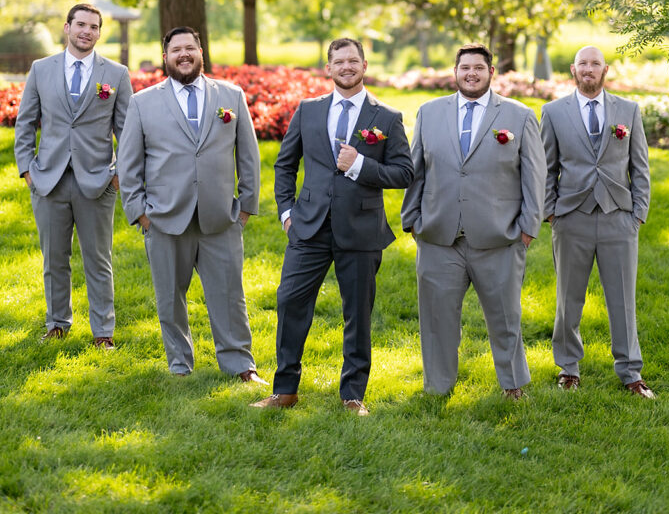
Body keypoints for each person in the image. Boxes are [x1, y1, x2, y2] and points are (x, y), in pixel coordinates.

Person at [251, 37, 413, 415]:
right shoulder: (308, 110)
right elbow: (284, 164)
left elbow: (404, 172)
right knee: (290, 301)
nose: (346, 66)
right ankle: (285, 389)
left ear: (364, 65)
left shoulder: (386, 117)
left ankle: (352, 395)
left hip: (360, 229)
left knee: (357, 312)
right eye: (339, 61)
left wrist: (359, 165)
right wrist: (287, 213)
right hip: (307, 227)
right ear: (328, 68)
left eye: (353, 60)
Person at [117, 26, 264, 381]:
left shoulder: (231, 96)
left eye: (190, 48)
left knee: (229, 296)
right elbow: (128, 164)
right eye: (176, 50)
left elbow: (249, 157)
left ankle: (240, 365)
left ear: (201, 51)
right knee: (170, 298)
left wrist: (244, 208)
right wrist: (139, 214)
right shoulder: (143, 102)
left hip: (220, 219)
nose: (184, 55)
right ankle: (180, 365)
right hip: (165, 219)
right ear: (165, 56)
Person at [401, 44, 546, 399]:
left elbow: (534, 178)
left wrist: (527, 230)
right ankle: (438, 387)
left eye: (478, 68)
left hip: (499, 237)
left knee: (505, 319)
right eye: (464, 67)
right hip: (438, 236)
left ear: (491, 72)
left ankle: (513, 385)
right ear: (455, 72)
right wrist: (413, 221)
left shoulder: (519, 116)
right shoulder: (429, 112)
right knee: (436, 320)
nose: (471, 73)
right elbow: (416, 170)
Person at [14, 2, 133, 347]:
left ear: (99, 32)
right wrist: (27, 171)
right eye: (80, 24)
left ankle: (103, 332)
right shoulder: (41, 69)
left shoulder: (116, 74)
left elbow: (127, 130)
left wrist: (119, 174)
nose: (87, 31)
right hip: (48, 181)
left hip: (97, 181)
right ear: (67, 28)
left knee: (98, 259)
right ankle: (57, 323)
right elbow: (25, 123)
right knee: (54, 259)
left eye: (94, 27)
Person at [541, 45, 653, 398]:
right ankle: (568, 368)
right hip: (571, 217)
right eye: (582, 64)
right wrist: (550, 211)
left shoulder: (628, 111)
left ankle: (630, 372)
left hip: (619, 217)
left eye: (595, 64)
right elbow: (547, 168)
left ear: (605, 70)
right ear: (573, 70)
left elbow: (640, 167)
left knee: (622, 298)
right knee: (568, 299)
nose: (588, 69)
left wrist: (637, 214)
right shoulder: (553, 112)